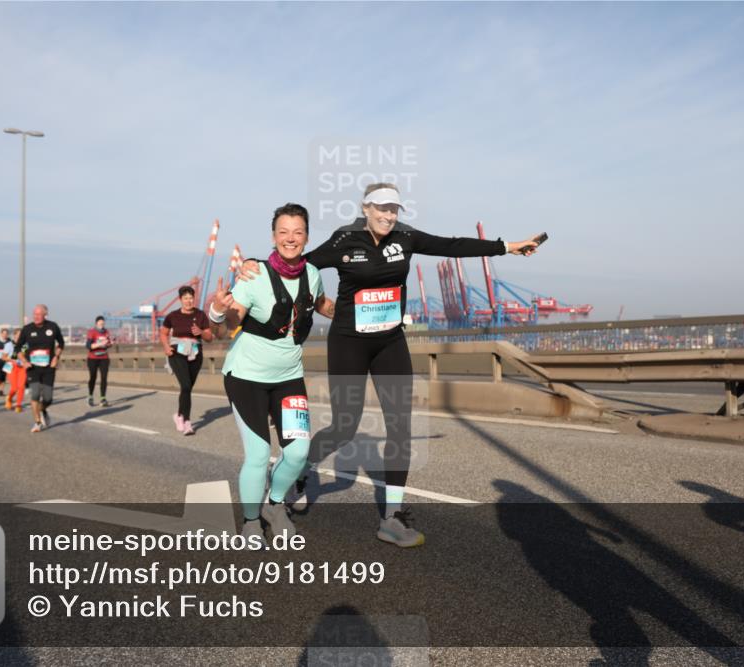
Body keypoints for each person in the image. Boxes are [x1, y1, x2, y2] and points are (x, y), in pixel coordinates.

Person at [242, 183, 541, 547]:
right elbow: (296, 263)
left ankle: (392, 518)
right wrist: (253, 266)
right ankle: (298, 474)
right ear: (365, 208)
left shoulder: (406, 236)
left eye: (394, 209)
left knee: (400, 425)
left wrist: (507, 247)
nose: (388, 215)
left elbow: (451, 245)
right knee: (345, 426)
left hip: (390, 342)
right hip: (349, 342)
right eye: (381, 208)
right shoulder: (344, 239)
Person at [210, 203, 335, 540]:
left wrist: (361, 314)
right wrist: (217, 311)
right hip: (246, 377)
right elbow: (227, 325)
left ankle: (274, 504)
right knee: (259, 455)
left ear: (307, 237)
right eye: (283, 232)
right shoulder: (254, 275)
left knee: (297, 453)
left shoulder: (313, 274)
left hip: (289, 377)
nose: (290, 239)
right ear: (273, 236)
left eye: (297, 232)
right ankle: (251, 522)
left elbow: (322, 304)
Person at [160, 287, 213, 434]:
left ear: (194, 299)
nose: (188, 301)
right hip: (177, 353)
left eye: (191, 298)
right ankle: (187, 422)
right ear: (180, 300)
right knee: (185, 385)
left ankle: (178, 415)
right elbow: (163, 333)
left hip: (195, 353)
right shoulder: (172, 316)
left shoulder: (200, 315)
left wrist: (201, 332)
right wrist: (165, 346)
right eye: (185, 298)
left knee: (187, 388)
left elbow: (209, 337)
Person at [15, 304, 65, 433]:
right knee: (35, 394)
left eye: (39, 314)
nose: (36, 317)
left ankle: (43, 409)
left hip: (49, 367)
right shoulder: (27, 329)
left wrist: (56, 357)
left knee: (48, 398)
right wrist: (24, 361)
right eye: (34, 314)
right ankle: (37, 422)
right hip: (33, 367)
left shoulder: (53, 327)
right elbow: (18, 348)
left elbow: (61, 343)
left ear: (45, 315)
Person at [85, 316, 114, 407]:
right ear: (96, 323)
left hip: (104, 358)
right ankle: (90, 396)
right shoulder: (91, 332)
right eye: (100, 322)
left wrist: (110, 344)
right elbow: (89, 346)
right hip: (93, 358)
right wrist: (100, 344)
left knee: (104, 378)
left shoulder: (106, 332)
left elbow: (108, 344)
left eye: (103, 322)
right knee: (93, 377)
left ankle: (103, 398)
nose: (102, 324)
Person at [3, 347, 27, 413]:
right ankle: (9, 398)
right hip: (12, 367)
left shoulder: (26, 345)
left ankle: (18, 405)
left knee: (21, 387)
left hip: (22, 368)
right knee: (14, 388)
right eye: (16, 336)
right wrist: (10, 359)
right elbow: (3, 357)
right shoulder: (10, 345)